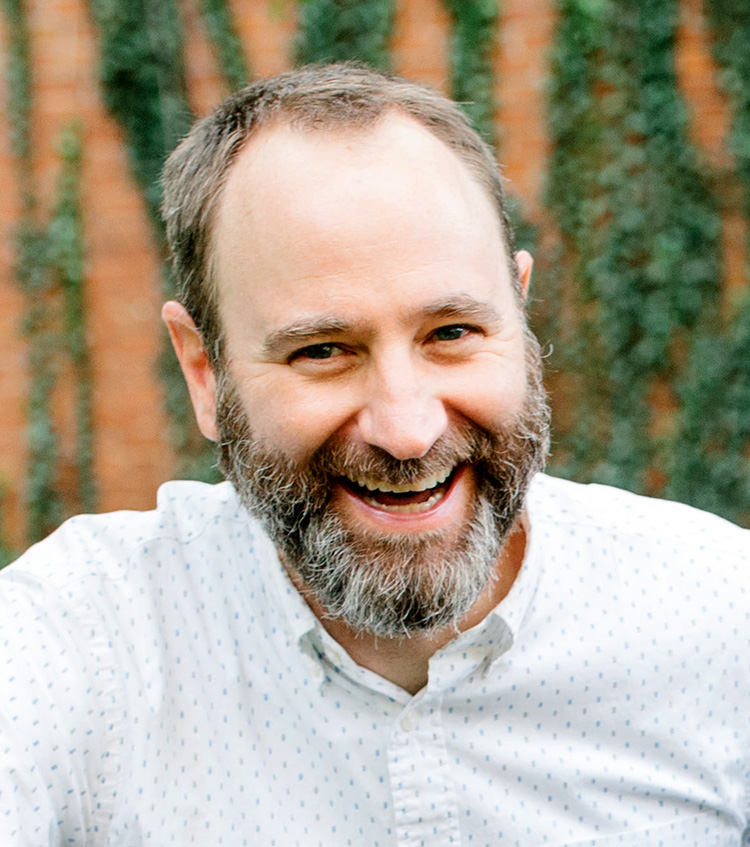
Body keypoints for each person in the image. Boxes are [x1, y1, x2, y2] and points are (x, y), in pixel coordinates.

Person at [0, 63, 748, 847]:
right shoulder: (78, 643)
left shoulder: (725, 619)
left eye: (452, 333)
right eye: (323, 350)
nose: (408, 430)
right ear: (204, 371)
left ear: (519, 316)